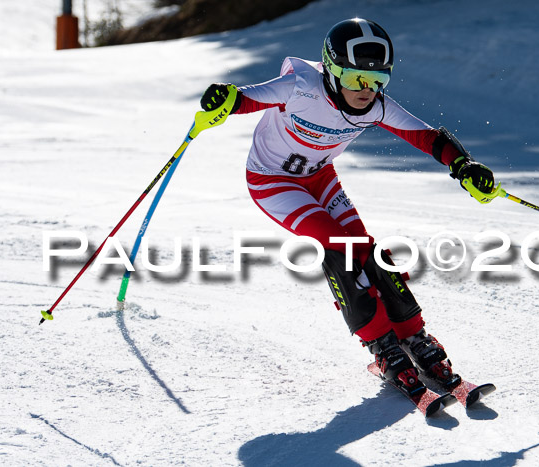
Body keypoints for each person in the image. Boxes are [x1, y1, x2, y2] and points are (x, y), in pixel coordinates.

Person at [200, 18, 496, 395]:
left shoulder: (374, 107)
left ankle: (414, 334)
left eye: (378, 81)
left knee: (364, 245)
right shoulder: (302, 86)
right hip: (272, 181)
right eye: (357, 78)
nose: (367, 90)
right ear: (333, 70)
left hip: (320, 177)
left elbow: (425, 136)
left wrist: (462, 164)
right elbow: (246, 98)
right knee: (339, 246)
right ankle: (381, 345)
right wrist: (223, 100)